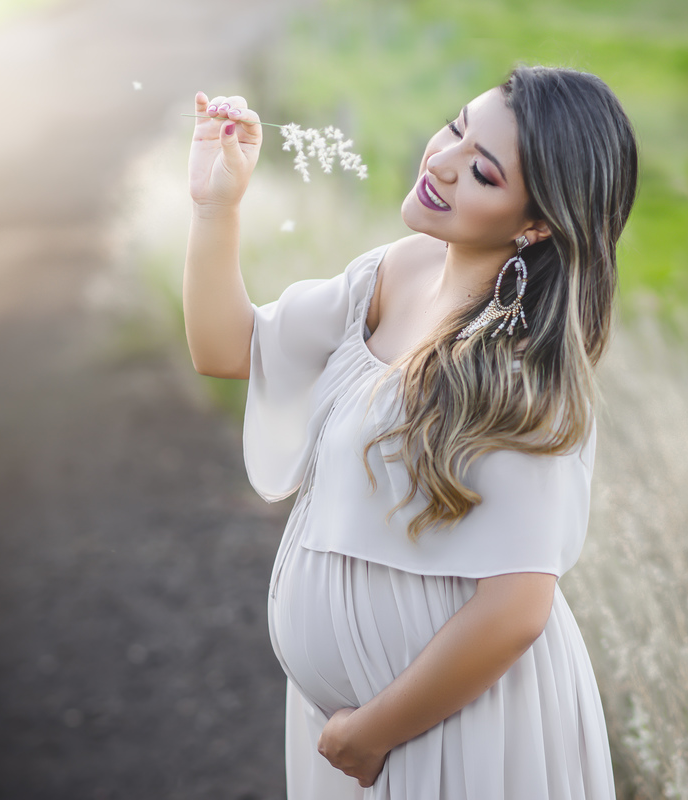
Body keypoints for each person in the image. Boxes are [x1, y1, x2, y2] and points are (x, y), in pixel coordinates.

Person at [184, 65, 638, 799]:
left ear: (537, 222)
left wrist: (376, 731)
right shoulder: (395, 271)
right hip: (356, 733)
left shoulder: (519, 367)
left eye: (483, 172)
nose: (444, 163)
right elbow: (226, 349)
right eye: (457, 128)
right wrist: (215, 206)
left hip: (458, 729)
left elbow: (517, 607)